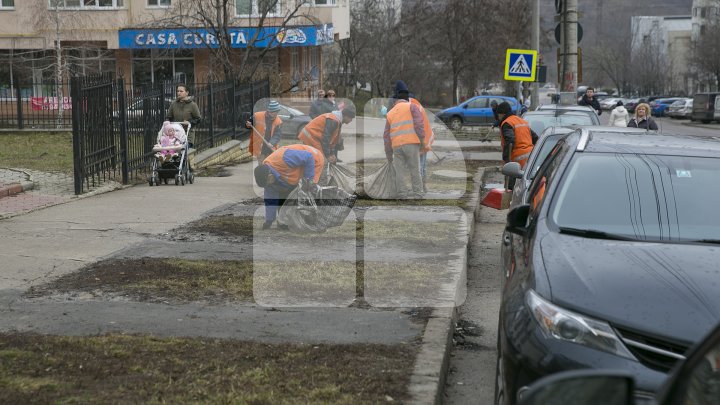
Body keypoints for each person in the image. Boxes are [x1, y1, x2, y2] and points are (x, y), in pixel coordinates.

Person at [254, 144, 325, 230]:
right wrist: (269, 221)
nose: (269, 185)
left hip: (314, 160)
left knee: (308, 193)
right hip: (297, 170)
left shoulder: (284, 158)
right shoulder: (267, 178)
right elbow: (270, 199)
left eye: (269, 182)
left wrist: (308, 180)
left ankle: (311, 221)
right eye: (267, 184)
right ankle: (285, 222)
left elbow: (308, 157)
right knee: (283, 192)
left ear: (270, 175)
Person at [384, 80, 426, 199]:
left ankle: (402, 194)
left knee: (400, 172)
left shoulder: (390, 113)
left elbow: (386, 136)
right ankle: (418, 194)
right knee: (414, 170)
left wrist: (388, 153)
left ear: (395, 99)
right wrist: (422, 141)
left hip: (397, 146)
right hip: (411, 143)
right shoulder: (412, 107)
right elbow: (419, 125)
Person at [495, 101, 538, 170]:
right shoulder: (522, 121)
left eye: (499, 115)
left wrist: (506, 159)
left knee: (515, 179)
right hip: (531, 156)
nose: (498, 117)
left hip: (518, 160)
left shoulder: (507, 123)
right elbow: (535, 138)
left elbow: (510, 141)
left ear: (502, 114)